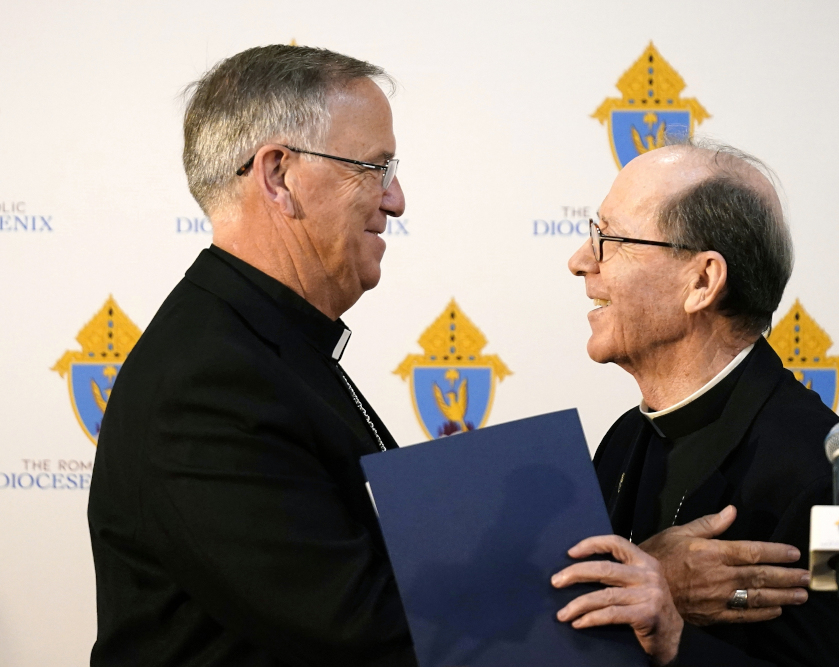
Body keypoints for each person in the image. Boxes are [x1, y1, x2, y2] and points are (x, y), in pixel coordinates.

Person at [88, 44, 679, 667]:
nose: (396, 200)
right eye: (374, 168)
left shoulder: (263, 345)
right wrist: (641, 584)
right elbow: (365, 632)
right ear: (279, 177)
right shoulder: (209, 382)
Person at [564, 141, 839, 666]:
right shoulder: (625, 438)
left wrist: (677, 641)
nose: (581, 261)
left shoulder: (829, 474)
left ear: (701, 281)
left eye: (610, 239)